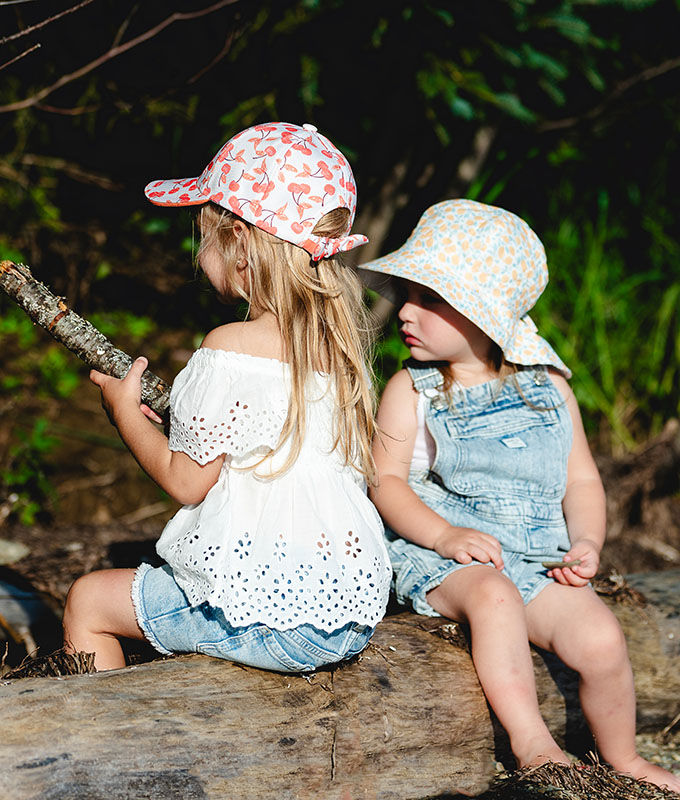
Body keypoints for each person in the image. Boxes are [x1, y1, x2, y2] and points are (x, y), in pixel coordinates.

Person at [361, 199, 680, 791]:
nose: (405, 310)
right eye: (407, 293)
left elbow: (580, 479)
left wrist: (586, 540)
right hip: (437, 548)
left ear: (485, 315)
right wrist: (443, 535)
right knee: (494, 596)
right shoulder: (413, 389)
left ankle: (625, 757)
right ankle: (531, 739)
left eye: (430, 299)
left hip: (534, 553)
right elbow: (387, 482)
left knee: (602, 638)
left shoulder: (549, 387)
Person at [63, 122, 392, 674]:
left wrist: (125, 415)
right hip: (345, 618)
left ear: (240, 244)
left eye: (205, 235)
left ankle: (103, 745)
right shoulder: (337, 352)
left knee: (88, 601)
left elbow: (186, 479)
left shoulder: (230, 348)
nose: (198, 253)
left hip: (271, 619)